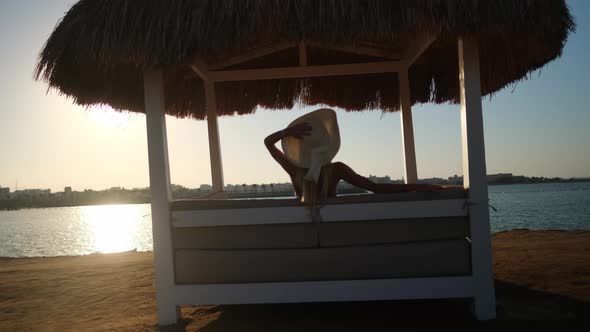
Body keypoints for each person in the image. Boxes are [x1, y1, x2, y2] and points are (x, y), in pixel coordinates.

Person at [265, 108, 442, 204]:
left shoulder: (294, 168)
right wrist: (418, 187)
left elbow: (267, 142)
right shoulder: (336, 170)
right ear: (328, 145)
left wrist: (287, 132)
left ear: (298, 148)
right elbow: (375, 188)